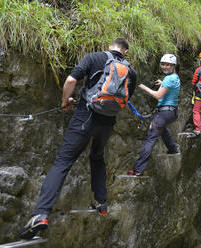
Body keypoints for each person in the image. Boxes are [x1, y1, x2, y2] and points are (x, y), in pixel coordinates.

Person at [19, 38, 137, 239]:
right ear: (125, 52)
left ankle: (41, 214)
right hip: (107, 123)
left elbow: (71, 81)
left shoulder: (95, 57)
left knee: (63, 161)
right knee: (97, 157)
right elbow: (125, 99)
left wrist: (66, 101)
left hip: (85, 117)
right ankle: (101, 203)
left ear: (110, 47)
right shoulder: (131, 72)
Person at [127, 54, 180, 176]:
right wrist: (162, 83)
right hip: (172, 112)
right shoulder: (174, 77)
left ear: (173, 66)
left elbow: (157, 96)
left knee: (150, 138)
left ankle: (138, 169)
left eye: (168, 65)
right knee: (162, 128)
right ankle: (173, 149)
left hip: (165, 113)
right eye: (163, 64)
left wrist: (142, 86)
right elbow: (171, 86)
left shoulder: (169, 79)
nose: (164, 67)